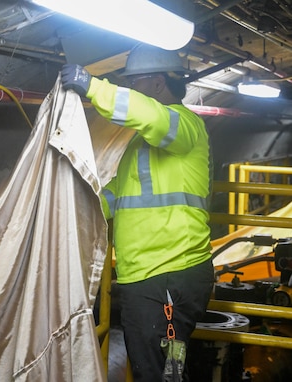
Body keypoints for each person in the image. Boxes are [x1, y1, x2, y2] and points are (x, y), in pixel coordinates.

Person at [61, 44, 214, 381]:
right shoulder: (143, 146)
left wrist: (93, 86)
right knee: (163, 370)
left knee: (162, 374)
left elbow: (152, 115)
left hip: (169, 275)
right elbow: (121, 194)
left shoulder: (184, 127)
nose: (131, 89)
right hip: (148, 278)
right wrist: (76, 205)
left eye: (135, 82)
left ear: (158, 83)